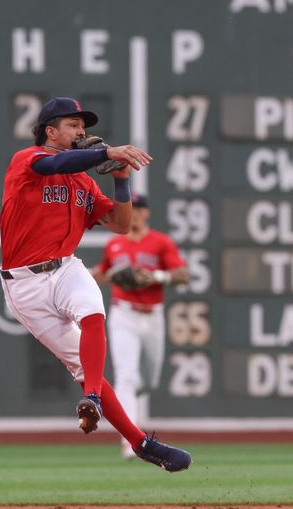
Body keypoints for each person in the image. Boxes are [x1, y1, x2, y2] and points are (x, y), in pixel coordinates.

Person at [0, 97, 191, 472]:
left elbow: (119, 224)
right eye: (72, 124)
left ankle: (102, 409)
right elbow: (55, 162)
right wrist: (106, 151)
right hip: (24, 285)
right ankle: (136, 438)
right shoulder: (27, 161)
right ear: (50, 130)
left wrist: (121, 180)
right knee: (87, 367)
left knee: (93, 312)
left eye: (82, 125)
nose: (81, 131)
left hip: (65, 267)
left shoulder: (83, 181)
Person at [91, 195, 190, 458]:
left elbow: (183, 275)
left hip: (152, 316)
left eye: (138, 210)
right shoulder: (114, 245)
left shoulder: (160, 242)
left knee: (148, 380)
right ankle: (130, 440)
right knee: (126, 375)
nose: (133, 214)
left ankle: (132, 405)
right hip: (124, 315)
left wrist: (156, 276)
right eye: (129, 209)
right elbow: (101, 273)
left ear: (146, 213)